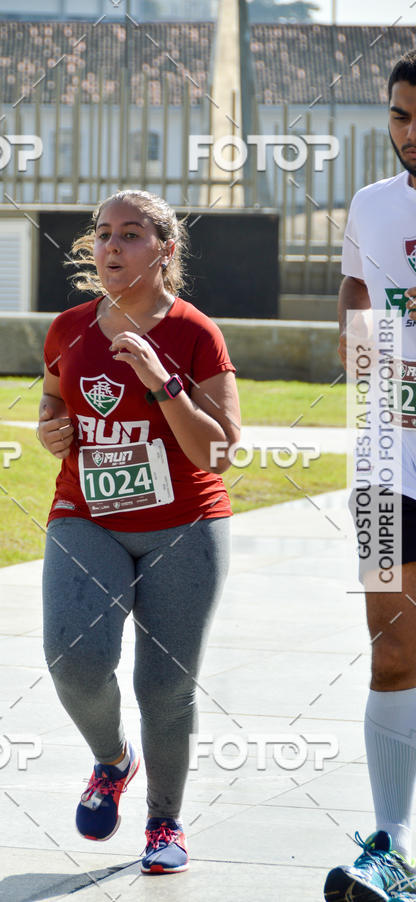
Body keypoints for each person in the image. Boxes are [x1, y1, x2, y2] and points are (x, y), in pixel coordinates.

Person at [37, 189, 240, 874]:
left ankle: (164, 822)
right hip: (85, 515)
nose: (111, 247)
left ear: (165, 248)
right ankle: (110, 760)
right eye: (102, 235)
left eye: (130, 235)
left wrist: (162, 382)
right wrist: (48, 427)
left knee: (165, 687)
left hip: (184, 523)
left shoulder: (194, 333)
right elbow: (51, 396)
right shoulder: (67, 327)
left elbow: (219, 450)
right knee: (74, 658)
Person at [324, 50, 416, 902]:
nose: (410, 135)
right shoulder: (372, 204)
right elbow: (355, 293)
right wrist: (365, 354)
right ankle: (389, 849)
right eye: (399, 116)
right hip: (389, 468)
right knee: (393, 652)